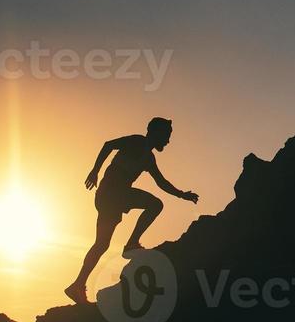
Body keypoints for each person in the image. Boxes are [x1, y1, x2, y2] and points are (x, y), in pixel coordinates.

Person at [65, 117, 199, 304]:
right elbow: (108, 145)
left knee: (102, 244)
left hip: (116, 197)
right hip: (111, 194)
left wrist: (182, 195)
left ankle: (77, 285)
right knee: (154, 205)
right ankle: (131, 244)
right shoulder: (136, 141)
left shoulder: (149, 158)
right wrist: (95, 171)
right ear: (156, 133)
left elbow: (161, 182)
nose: (168, 141)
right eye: (166, 136)